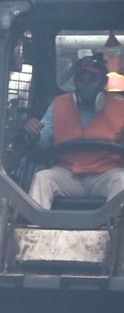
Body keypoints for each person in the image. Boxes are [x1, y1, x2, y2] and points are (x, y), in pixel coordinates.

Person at [23, 53, 124, 209]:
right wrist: (34, 134)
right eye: (82, 79)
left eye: (92, 79)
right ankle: (33, 231)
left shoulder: (120, 107)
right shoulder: (59, 105)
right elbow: (42, 143)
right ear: (75, 82)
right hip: (68, 173)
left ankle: (118, 230)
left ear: (103, 82)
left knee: (121, 181)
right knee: (43, 178)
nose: (86, 85)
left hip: (105, 174)